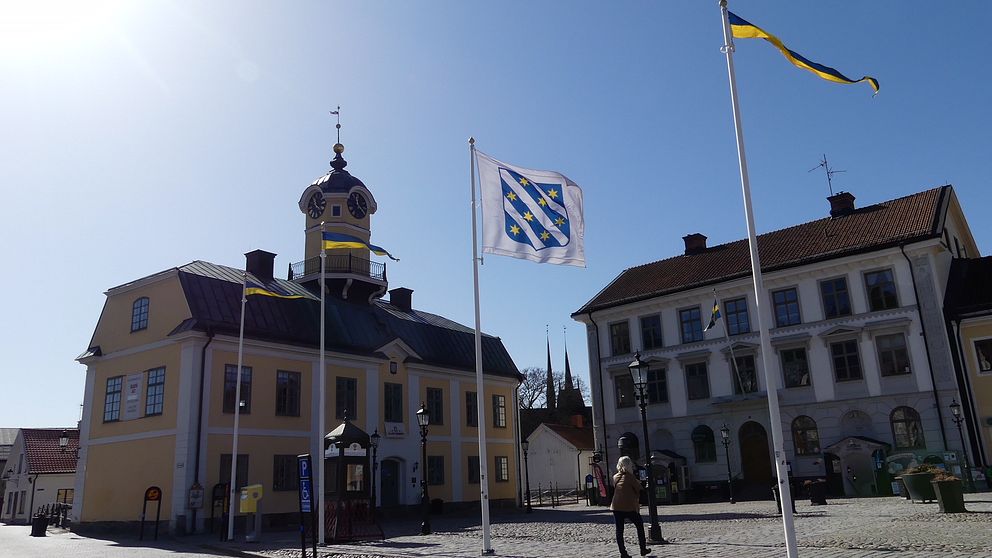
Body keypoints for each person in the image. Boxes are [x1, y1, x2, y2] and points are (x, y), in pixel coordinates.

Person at [610, 455, 650, 557]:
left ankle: (623, 553)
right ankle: (643, 549)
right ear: (629, 465)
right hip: (629, 507)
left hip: (616, 506)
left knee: (619, 530)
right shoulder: (630, 477)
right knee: (639, 526)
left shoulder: (615, 477)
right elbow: (640, 489)